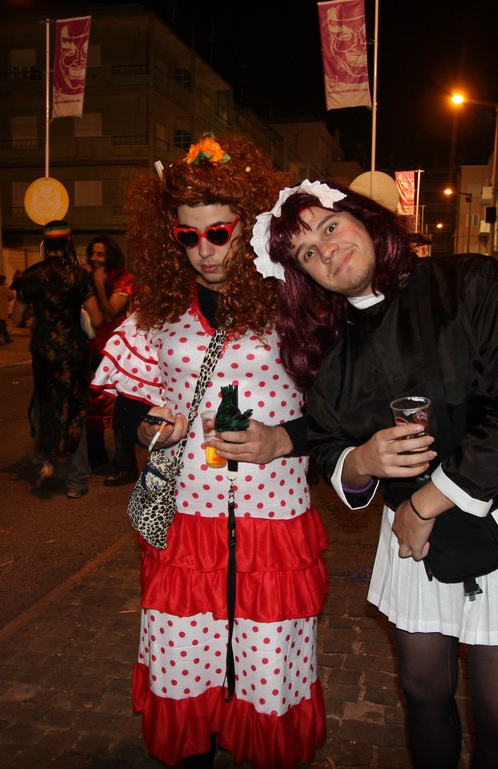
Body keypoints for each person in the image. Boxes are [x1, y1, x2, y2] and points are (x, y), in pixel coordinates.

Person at [259, 181, 498, 769]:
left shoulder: (469, 283)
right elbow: (326, 444)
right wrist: (361, 461)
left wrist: (428, 502)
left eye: (330, 227)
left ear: (362, 218)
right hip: (411, 540)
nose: (326, 251)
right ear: (303, 276)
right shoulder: (331, 350)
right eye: (307, 252)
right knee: (424, 692)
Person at [91, 135, 328, 769]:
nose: (205, 250)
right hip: (187, 526)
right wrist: (150, 430)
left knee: (266, 669)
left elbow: (343, 416)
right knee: (185, 659)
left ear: (250, 227)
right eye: (188, 237)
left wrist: (283, 438)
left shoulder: (298, 305)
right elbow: (134, 410)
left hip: (273, 525)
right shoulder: (157, 315)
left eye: (219, 233)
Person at [14, 220, 94, 498]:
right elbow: (97, 317)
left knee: (45, 405)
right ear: (68, 243)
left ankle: (44, 462)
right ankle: (76, 482)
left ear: (44, 244)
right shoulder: (78, 276)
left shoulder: (30, 275)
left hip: (43, 351)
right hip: (72, 352)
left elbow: (17, 317)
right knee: (75, 411)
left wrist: (40, 310)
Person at [81, 235, 139, 486]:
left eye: (100, 254)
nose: (94, 259)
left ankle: (126, 467)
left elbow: (109, 314)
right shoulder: (89, 278)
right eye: (92, 254)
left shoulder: (124, 280)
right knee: (91, 406)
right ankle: (96, 457)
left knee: (119, 410)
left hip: (119, 355)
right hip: (93, 350)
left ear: (111, 256)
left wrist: (96, 283)